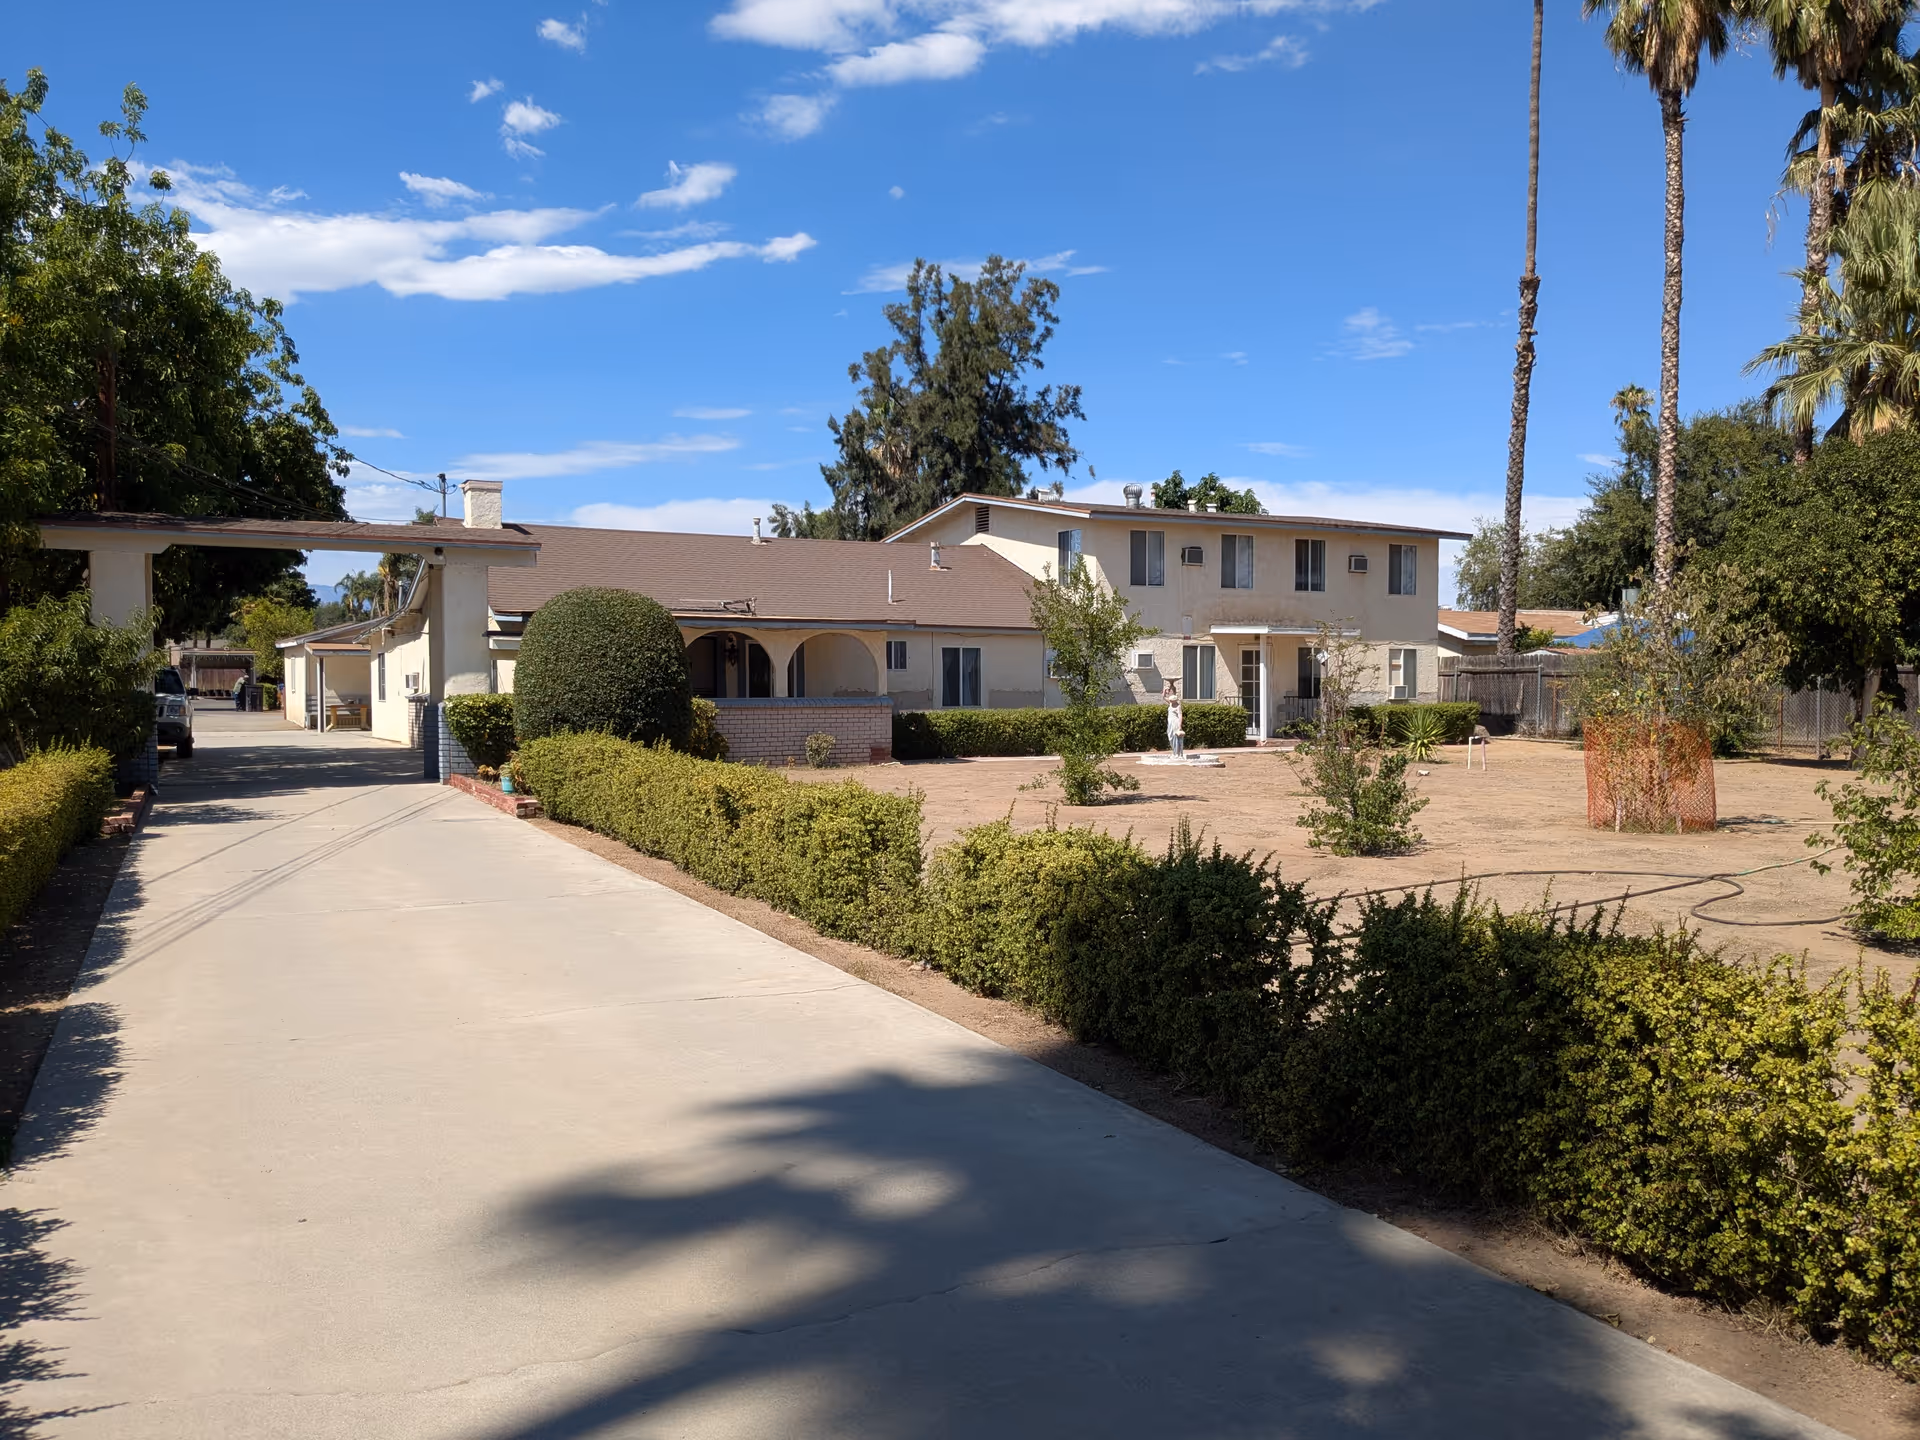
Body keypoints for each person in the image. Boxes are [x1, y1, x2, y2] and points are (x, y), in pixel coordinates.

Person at [1164, 679, 1185, 760]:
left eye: (1172, 701)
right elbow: (1164, 698)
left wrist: (1179, 726)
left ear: (1175, 700)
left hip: (1175, 723)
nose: (1171, 702)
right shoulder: (1170, 704)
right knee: (1170, 737)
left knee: (1176, 738)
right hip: (1170, 723)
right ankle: (1174, 752)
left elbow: (1180, 716)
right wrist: (1164, 692)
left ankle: (1178, 753)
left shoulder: (1178, 706)